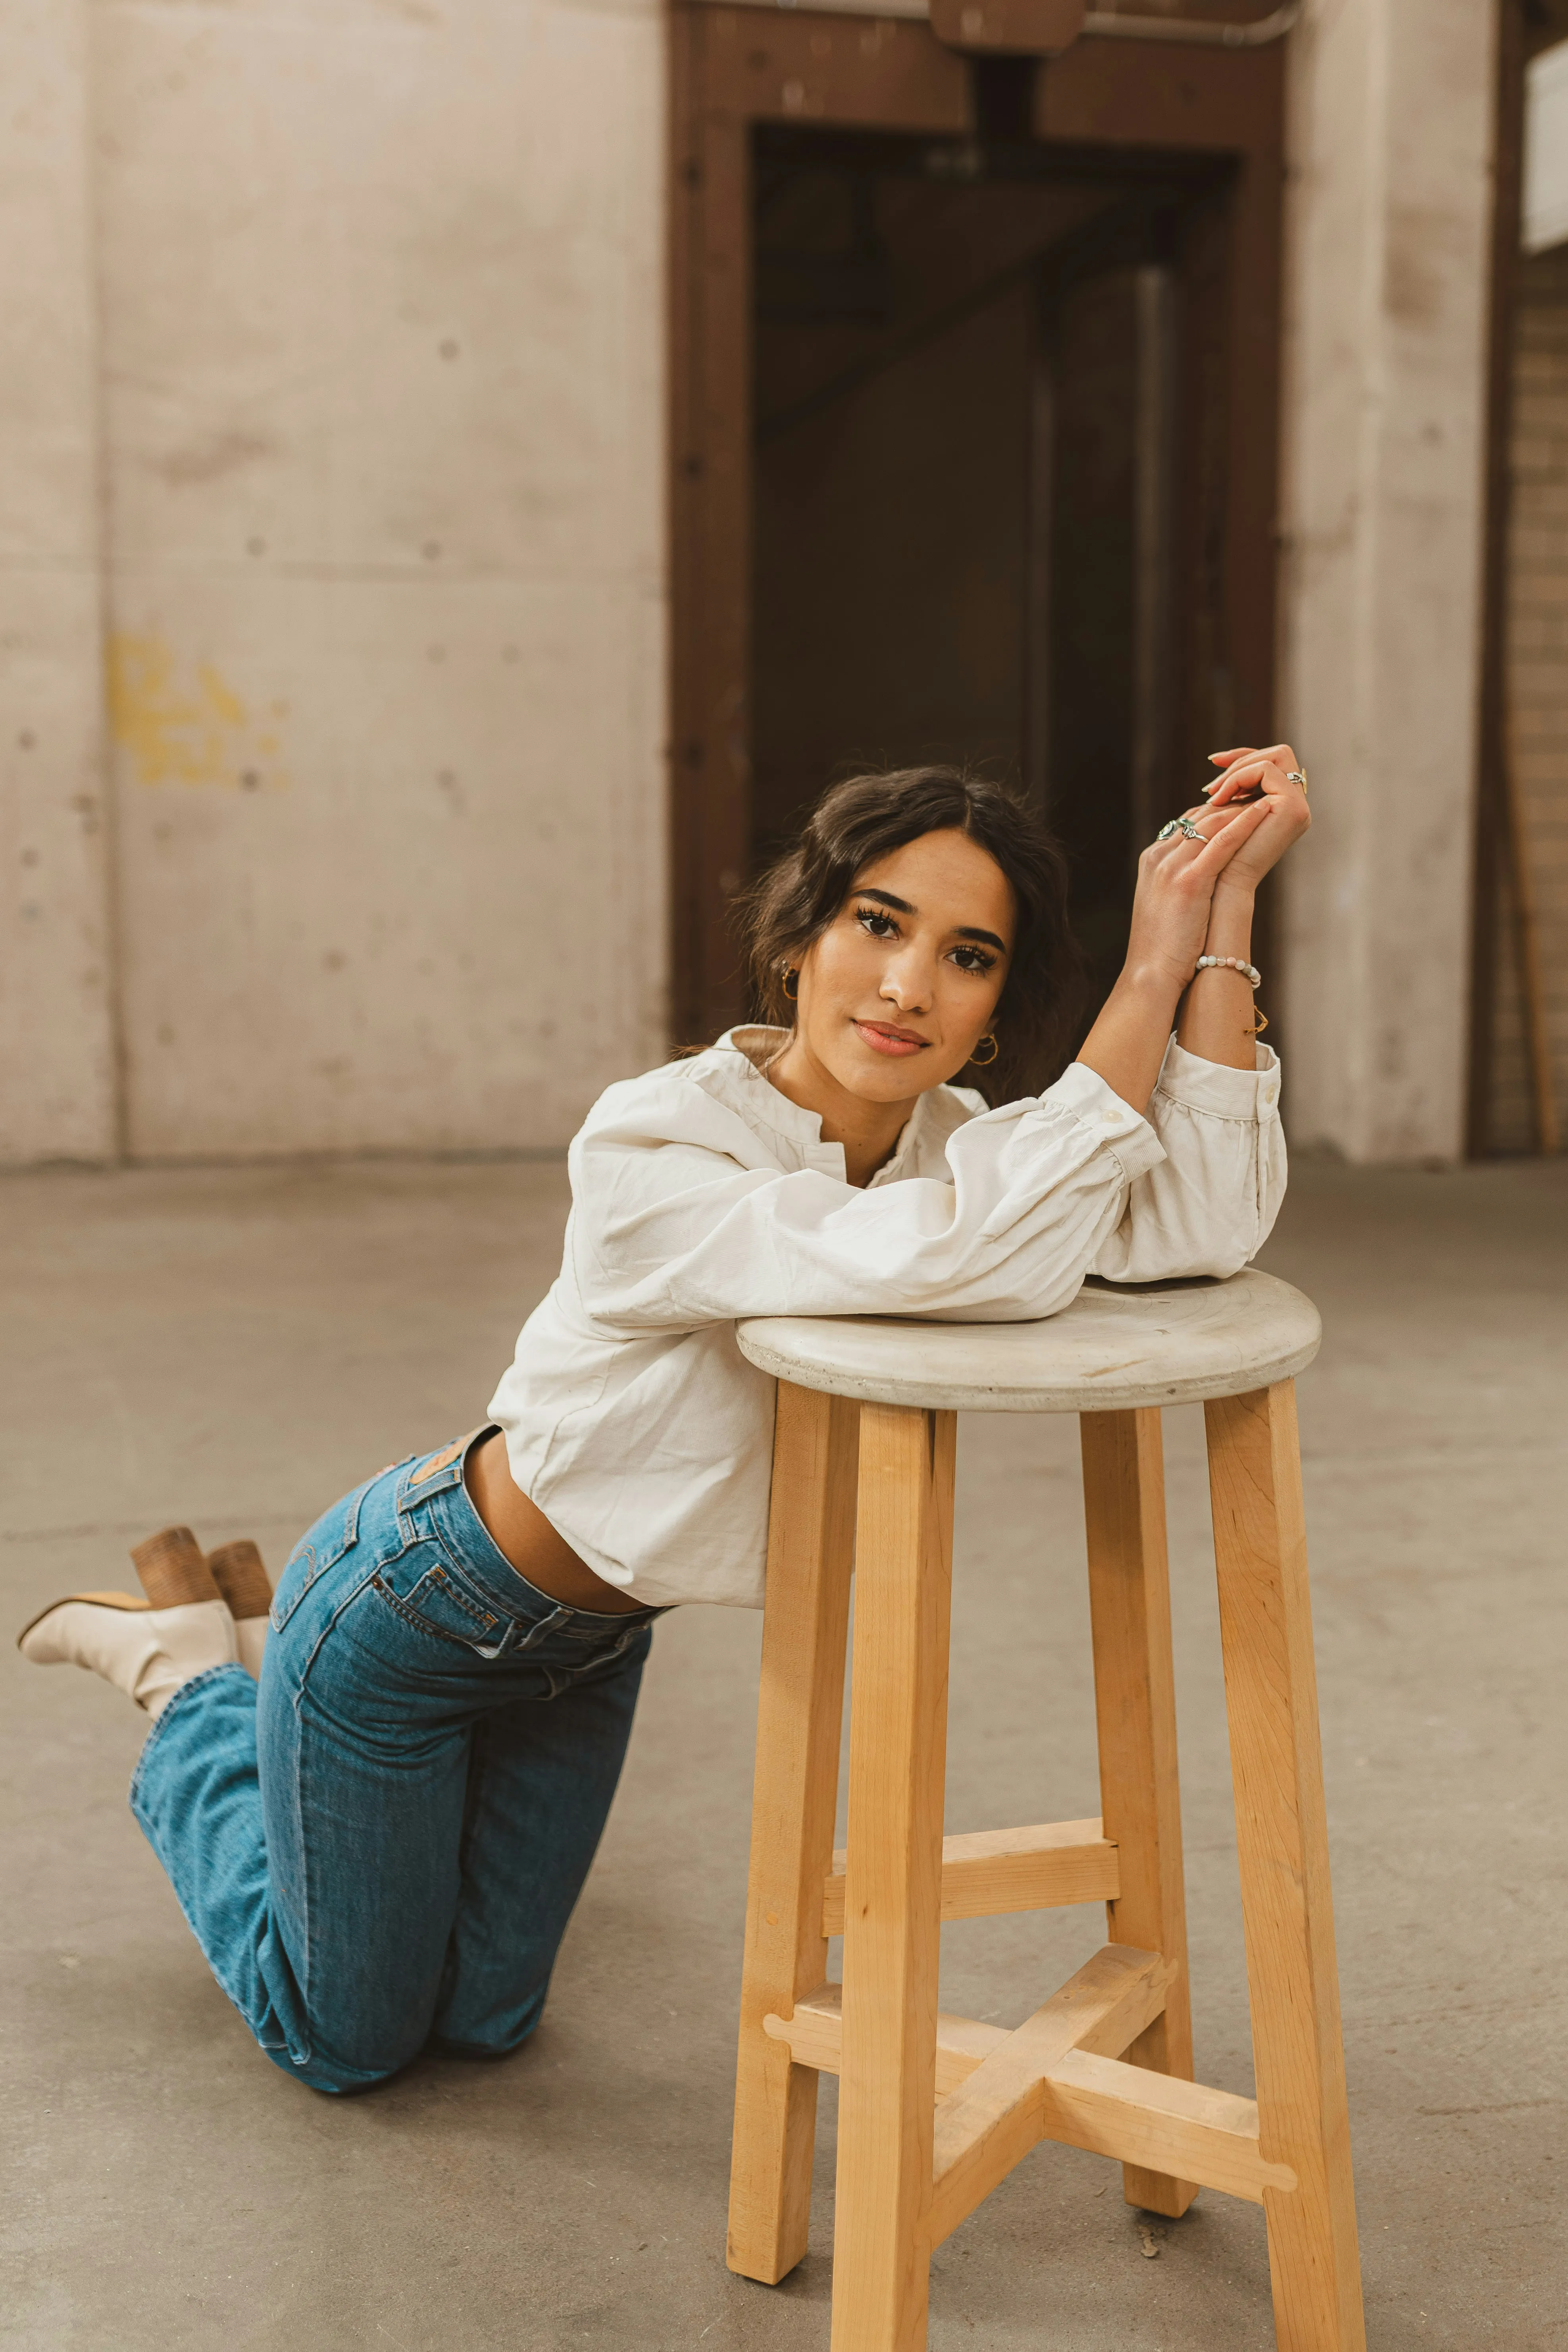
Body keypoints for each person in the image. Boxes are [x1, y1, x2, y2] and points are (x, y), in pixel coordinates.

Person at [17, 749, 1308, 2093]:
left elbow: (1193, 1227)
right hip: (415, 1613)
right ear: (801, 936)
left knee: (485, 2023)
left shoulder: (956, 1150)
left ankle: (241, 1657)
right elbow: (963, 1255)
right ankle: (191, 1680)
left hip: (586, 1652)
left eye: (967, 954)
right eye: (877, 922)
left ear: (990, 1011)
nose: (907, 984)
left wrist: (1217, 927)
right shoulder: (659, 1141)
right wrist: (1142, 976)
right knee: (347, 2040)